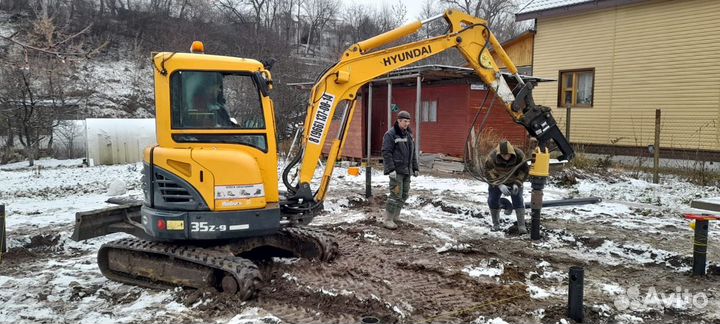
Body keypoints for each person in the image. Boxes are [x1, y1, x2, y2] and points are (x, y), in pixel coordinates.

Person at [381, 110, 419, 230]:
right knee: (395, 194)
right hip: (396, 171)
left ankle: (396, 217)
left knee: (404, 194)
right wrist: (391, 169)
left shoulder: (409, 134)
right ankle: (387, 220)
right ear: (398, 121)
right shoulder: (391, 134)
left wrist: (415, 167)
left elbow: (412, 153)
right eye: (404, 121)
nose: (407, 124)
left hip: (407, 170)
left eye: (408, 121)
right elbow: (386, 153)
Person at [484, 140, 529, 234]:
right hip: (498, 181)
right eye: (503, 155)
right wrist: (499, 184)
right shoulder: (492, 157)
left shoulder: (519, 154)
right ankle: (496, 224)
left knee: (518, 199)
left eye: (508, 155)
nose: (506, 157)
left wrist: (517, 183)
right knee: (492, 200)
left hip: (514, 180)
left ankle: (521, 225)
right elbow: (488, 172)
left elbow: (524, 170)